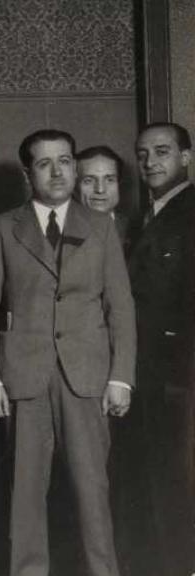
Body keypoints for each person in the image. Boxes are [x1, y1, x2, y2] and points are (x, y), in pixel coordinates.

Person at [0, 129, 135, 576]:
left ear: (75, 167)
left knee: (93, 493)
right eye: (45, 163)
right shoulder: (2, 228)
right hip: (23, 379)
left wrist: (121, 376)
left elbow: (120, 308)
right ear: (28, 174)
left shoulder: (100, 226)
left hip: (88, 378)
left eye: (65, 161)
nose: (57, 171)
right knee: (25, 495)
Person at [121, 122, 195, 574]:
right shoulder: (144, 218)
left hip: (177, 378)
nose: (150, 162)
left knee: (177, 487)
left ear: (186, 157)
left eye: (162, 152)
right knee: (154, 484)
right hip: (147, 376)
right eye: (143, 154)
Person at [76, 146, 128, 241]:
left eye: (110, 180)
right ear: (74, 187)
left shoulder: (136, 229)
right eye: (89, 180)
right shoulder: (61, 230)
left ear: (119, 184)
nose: (100, 190)